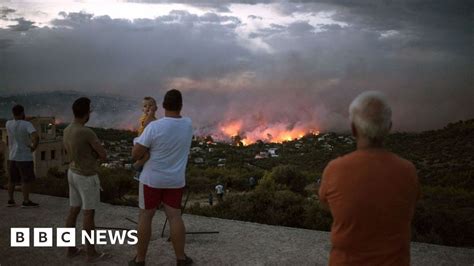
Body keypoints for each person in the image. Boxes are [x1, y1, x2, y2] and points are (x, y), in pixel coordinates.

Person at [318, 91, 420, 266]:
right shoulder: (408, 171)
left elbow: (326, 204)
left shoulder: (335, 170)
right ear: (389, 127)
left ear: (353, 128)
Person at [130, 89, 193, 266]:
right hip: (175, 180)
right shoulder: (188, 124)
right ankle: (181, 258)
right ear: (181, 106)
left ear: (163, 106)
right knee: (175, 217)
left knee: (145, 217)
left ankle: (140, 259)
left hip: (152, 180)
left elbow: (136, 154)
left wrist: (138, 139)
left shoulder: (154, 127)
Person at [63, 97, 109, 262]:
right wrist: (95, 154)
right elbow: (103, 154)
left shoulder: (67, 129)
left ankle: (71, 249)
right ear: (86, 113)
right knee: (88, 214)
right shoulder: (86, 132)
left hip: (72, 172)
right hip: (86, 176)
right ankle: (91, 253)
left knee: (73, 211)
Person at [6, 104, 39, 208]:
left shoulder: (8, 123)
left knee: (12, 180)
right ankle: (25, 201)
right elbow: (36, 136)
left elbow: (17, 123)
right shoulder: (27, 124)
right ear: (22, 113)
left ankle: (11, 200)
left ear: (13, 113)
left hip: (12, 156)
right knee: (26, 180)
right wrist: (33, 147)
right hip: (24, 156)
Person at [133, 97, 158, 180]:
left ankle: (140, 171)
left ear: (156, 108)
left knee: (149, 156)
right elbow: (146, 124)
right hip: (140, 140)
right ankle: (136, 166)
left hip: (146, 141)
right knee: (146, 156)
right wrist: (151, 113)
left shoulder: (155, 120)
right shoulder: (145, 117)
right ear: (142, 109)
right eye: (145, 106)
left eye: (150, 105)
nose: (148, 107)